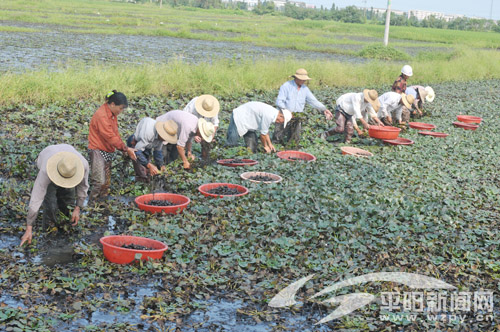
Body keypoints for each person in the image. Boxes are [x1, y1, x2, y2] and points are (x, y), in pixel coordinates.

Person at [20, 144, 89, 246]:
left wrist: (78, 207)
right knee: (50, 205)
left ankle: (65, 226)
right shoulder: (46, 170)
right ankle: (48, 231)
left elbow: (83, 187)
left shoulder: (82, 165)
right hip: (47, 156)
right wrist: (29, 227)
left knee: (68, 201)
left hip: (67, 155)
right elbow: (37, 197)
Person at [88, 90, 136, 202]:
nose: (121, 111)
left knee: (106, 184)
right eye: (120, 108)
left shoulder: (112, 115)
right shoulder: (102, 115)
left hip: (107, 150)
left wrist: (123, 147)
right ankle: (91, 207)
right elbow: (109, 136)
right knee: (99, 182)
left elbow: (115, 134)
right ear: (113, 104)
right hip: (97, 150)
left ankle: (102, 206)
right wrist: (125, 148)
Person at [274, 68, 333, 144]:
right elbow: (279, 101)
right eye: (302, 79)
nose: (304, 81)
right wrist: (287, 112)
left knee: (295, 139)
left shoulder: (305, 89)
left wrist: (324, 109)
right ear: (296, 78)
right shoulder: (286, 86)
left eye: (304, 79)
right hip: (283, 115)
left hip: (297, 116)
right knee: (279, 137)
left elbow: (313, 101)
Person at [226, 102, 292, 153]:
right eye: (283, 121)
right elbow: (262, 135)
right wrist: (265, 146)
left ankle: (250, 154)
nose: (281, 123)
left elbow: (265, 131)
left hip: (249, 121)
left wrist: (270, 144)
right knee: (232, 142)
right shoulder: (269, 115)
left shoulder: (273, 113)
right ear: (281, 116)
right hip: (240, 117)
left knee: (252, 145)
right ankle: (224, 155)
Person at [126, 117, 174, 182]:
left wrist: (161, 165)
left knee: (148, 170)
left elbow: (158, 152)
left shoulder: (161, 139)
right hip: (137, 143)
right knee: (142, 172)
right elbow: (137, 151)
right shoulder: (149, 133)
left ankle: (146, 178)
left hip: (146, 146)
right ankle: (140, 181)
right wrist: (149, 165)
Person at [182, 95, 220, 160]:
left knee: (207, 141)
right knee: (186, 138)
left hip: (205, 126)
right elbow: (185, 121)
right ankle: (188, 154)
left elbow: (215, 124)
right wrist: (194, 135)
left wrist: (210, 138)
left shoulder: (212, 107)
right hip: (190, 124)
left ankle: (204, 158)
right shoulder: (193, 105)